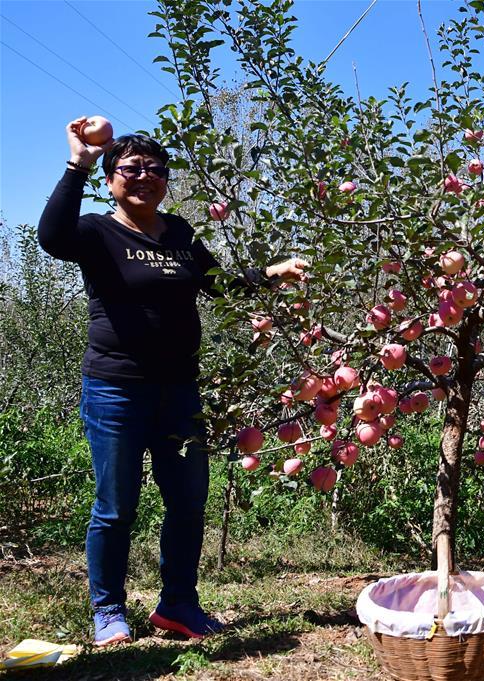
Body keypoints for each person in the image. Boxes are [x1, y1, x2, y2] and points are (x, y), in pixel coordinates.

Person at [38, 117, 306, 646]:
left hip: (179, 390)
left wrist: (271, 274)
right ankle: (108, 610)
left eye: (155, 169)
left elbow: (220, 286)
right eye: (132, 168)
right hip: (116, 387)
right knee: (117, 504)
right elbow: (51, 237)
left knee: (187, 500)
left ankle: (178, 605)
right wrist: (79, 160)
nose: (145, 177)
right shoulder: (96, 231)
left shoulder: (180, 233)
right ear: (111, 178)